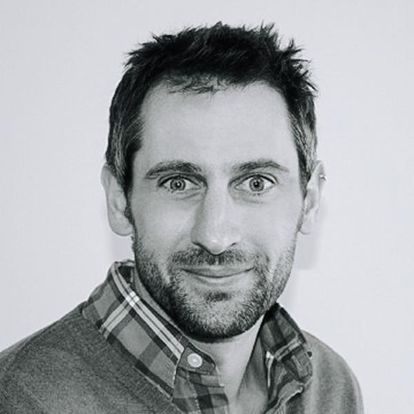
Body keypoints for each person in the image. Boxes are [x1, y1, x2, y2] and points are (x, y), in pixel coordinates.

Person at [0, 23, 363, 413]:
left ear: (309, 201)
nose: (215, 235)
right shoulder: (20, 398)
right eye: (178, 183)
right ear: (119, 200)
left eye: (256, 183)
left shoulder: (329, 386)